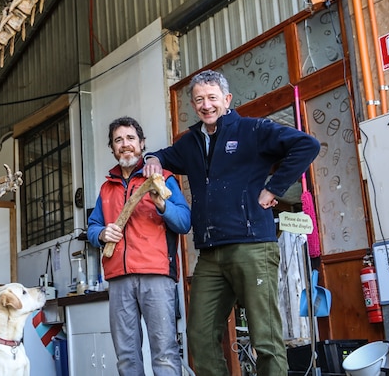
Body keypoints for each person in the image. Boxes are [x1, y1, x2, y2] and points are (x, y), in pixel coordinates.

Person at [142, 69, 320, 376]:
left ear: (227, 99)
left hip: (252, 246)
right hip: (210, 254)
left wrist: (274, 188)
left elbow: (307, 145)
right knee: (200, 335)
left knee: (266, 339)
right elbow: (163, 154)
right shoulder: (190, 143)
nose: (206, 105)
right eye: (199, 99)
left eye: (212, 98)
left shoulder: (252, 130)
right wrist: (152, 158)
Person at [87, 116, 192, 376]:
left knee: (165, 353)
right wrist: (101, 234)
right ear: (112, 148)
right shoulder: (106, 188)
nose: (125, 144)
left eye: (130, 138)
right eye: (118, 140)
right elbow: (91, 228)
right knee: (125, 357)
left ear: (142, 144)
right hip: (119, 279)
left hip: (156, 275)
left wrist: (162, 205)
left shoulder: (164, 178)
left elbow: (184, 222)